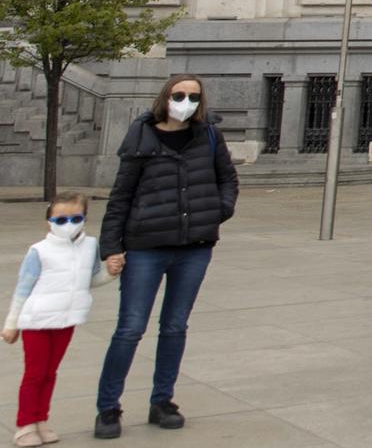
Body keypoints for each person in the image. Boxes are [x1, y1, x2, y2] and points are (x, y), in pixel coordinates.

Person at [94, 73, 238, 440]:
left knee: (175, 326)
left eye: (193, 96)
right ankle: (108, 407)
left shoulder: (207, 135)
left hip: (193, 249)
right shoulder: (143, 135)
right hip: (146, 248)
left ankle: (163, 401)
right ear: (166, 96)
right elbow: (120, 196)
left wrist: (216, 211)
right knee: (130, 329)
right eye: (179, 94)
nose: (186, 101)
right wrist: (111, 247)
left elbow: (228, 180)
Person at [6, 193, 112, 448]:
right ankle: (25, 424)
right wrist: (11, 324)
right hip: (37, 322)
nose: (69, 223)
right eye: (61, 218)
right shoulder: (39, 251)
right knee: (35, 374)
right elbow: (22, 289)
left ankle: (41, 419)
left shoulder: (90, 246)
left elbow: (91, 279)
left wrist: (111, 271)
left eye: (76, 217)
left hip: (66, 320)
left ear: (85, 218)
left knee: (50, 373)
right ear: (49, 221)